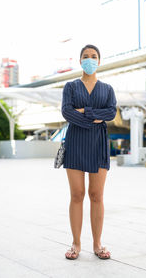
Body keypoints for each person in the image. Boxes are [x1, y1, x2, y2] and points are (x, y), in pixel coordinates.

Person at [61, 44, 117, 260]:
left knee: (96, 195)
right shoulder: (71, 87)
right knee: (77, 195)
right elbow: (67, 112)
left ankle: (97, 243)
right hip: (75, 143)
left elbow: (111, 112)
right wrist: (94, 118)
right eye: (86, 56)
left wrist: (84, 112)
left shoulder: (108, 89)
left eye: (94, 56)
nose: (90, 59)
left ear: (99, 61)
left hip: (99, 145)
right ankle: (76, 244)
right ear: (80, 61)